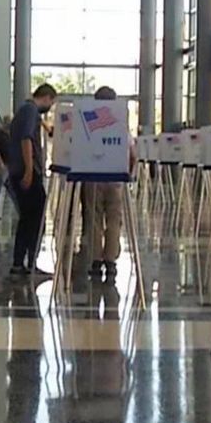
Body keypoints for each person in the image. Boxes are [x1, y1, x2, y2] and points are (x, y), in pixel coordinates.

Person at [82, 87, 136, 279]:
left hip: (93, 178)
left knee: (94, 219)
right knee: (114, 220)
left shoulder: (87, 121)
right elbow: (133, 154)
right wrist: (127, 175)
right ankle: (110, 261)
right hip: (115, 179)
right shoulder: (120, 123)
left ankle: (96, 260)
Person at [9, 84, 59, 277]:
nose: (50, 107)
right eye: (51, 102)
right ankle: (30, 263)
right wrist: (30, 170)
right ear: (46, 97)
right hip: (27, 171)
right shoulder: (30, 111)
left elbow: (41, 126)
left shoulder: (26, 110)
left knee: (27, 218)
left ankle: (19, 264)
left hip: (18, 170)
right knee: (35, 219)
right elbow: (26, 140)